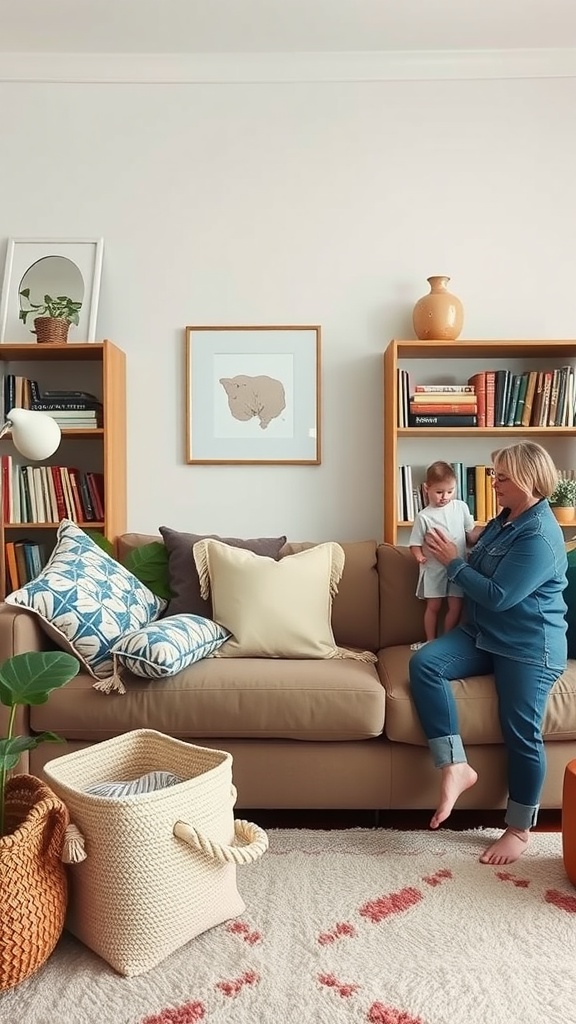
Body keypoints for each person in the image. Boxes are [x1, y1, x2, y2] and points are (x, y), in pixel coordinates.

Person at [409, 442, 568, 865]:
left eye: (501, 477)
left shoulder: (540, 535)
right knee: (425, 663)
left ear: (528, 481)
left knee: (520, 729)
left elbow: (500, 595)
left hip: (529, 645)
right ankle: (455, 766)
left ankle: (518, 828)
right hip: (484, 634)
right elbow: (480, 554)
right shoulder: (504, 520)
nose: (493, 483)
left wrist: (453, 561)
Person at [408, 461, 481, 650]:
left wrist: (485, 531)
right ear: (427, 488)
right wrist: (419, 557)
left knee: (456, 605)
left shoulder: (461, 507)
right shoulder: (424, 516)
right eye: (439, 492)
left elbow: (470, 534)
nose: (445, 497)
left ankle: (446, 640)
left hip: (458, 567)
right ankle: (430, 640)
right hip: (434, 569)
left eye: (450, 491)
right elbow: (414, 544)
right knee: (433, 606)